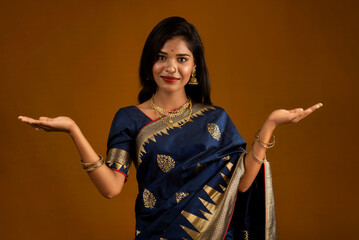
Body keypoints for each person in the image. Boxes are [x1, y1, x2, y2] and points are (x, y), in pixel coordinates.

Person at [18, 16, 322, 240]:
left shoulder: (216, 118)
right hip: (155, 233)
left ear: (193, 68)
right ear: (150, 64)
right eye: (161, 57)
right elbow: (111, 188)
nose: (171, 68)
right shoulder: (129, 119)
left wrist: (270, 125)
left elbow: (242, 185)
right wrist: (73, 130)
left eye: (181, 59)